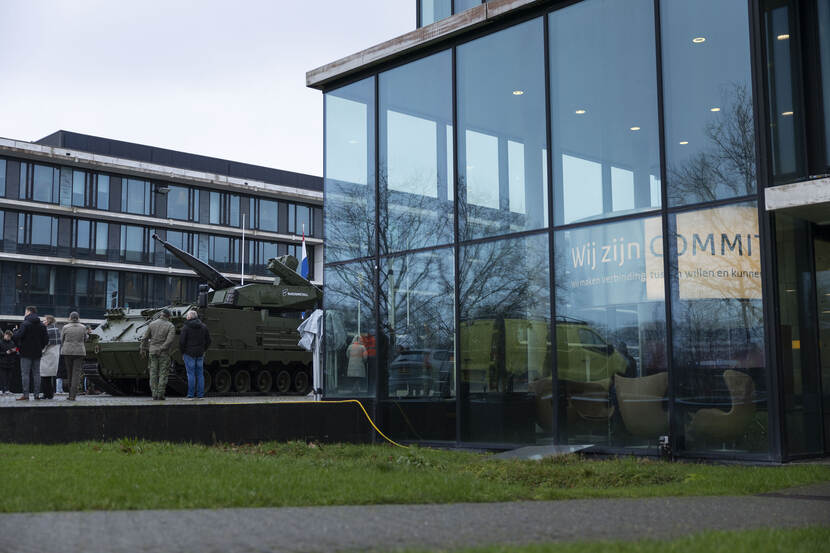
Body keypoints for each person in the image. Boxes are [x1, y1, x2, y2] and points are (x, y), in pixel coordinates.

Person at [13, 306, 48, 401]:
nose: (24, 313)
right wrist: (40, 347)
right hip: (37, 352)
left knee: (25, 374)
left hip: (25, 352)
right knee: (37, 373)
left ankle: (26, 395)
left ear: (28, 311)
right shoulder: (41, 325)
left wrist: (15, 331)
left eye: (25, 311)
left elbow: (18, 336)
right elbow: (46, 340)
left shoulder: (25, 324)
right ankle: (36, 395)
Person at [140, 309, 176, 400]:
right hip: (164, 353)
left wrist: (143, 349)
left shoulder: (152, 324)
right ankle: (161, 394)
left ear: (161, 315)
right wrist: (162, 348)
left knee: (153, 373)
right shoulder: (170, 326)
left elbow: (144, 338)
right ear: (168, 316)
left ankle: (154, 394)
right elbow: (169, 340)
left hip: (152, 351)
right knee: (163, 373)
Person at [179, 310, 211, 400]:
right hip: (200, 353)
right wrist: (204, 350)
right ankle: (200, 395)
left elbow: (182, 342)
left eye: (187, 316)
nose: (186, 317)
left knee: (190, 374)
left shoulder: (186, 327)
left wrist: (183, 352)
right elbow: (209, 340)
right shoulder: (204, 326)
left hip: (189, 353)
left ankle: (190, 395)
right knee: (200, 374)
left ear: (189, 317)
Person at [60, 312, 90, 401]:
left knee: (69, 373)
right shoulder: (83, 327)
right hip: (79, 352)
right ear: (78, 318)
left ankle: (70, 394)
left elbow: (62, 339)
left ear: (70, 318)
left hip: (67, 351)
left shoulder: (65, 327)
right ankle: (73, 395)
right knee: (76, 374)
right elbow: (85, 338)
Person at [39, 314, 61, 399]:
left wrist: (40, 351)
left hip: (47, 355)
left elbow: (45, 344)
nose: (43, 321)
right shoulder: (56, 329)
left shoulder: (48, 330)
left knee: (45, 376)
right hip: (54, 355)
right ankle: (50, 394)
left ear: (48, 321)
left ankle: (46, 394)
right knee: (49, 376)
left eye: (44, 320)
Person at [0, 330, 18, 395]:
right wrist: (5, 353)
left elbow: (17, 350)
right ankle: (2, 390)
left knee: (9, 377)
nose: (8, 338)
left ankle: (7, 389)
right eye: (7, 336)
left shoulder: (12, 342)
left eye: (10, 337)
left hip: (10, 363)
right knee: (2, 377)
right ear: (4, 335)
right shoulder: (0, 342)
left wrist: (14, 350)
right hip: (2, 363)